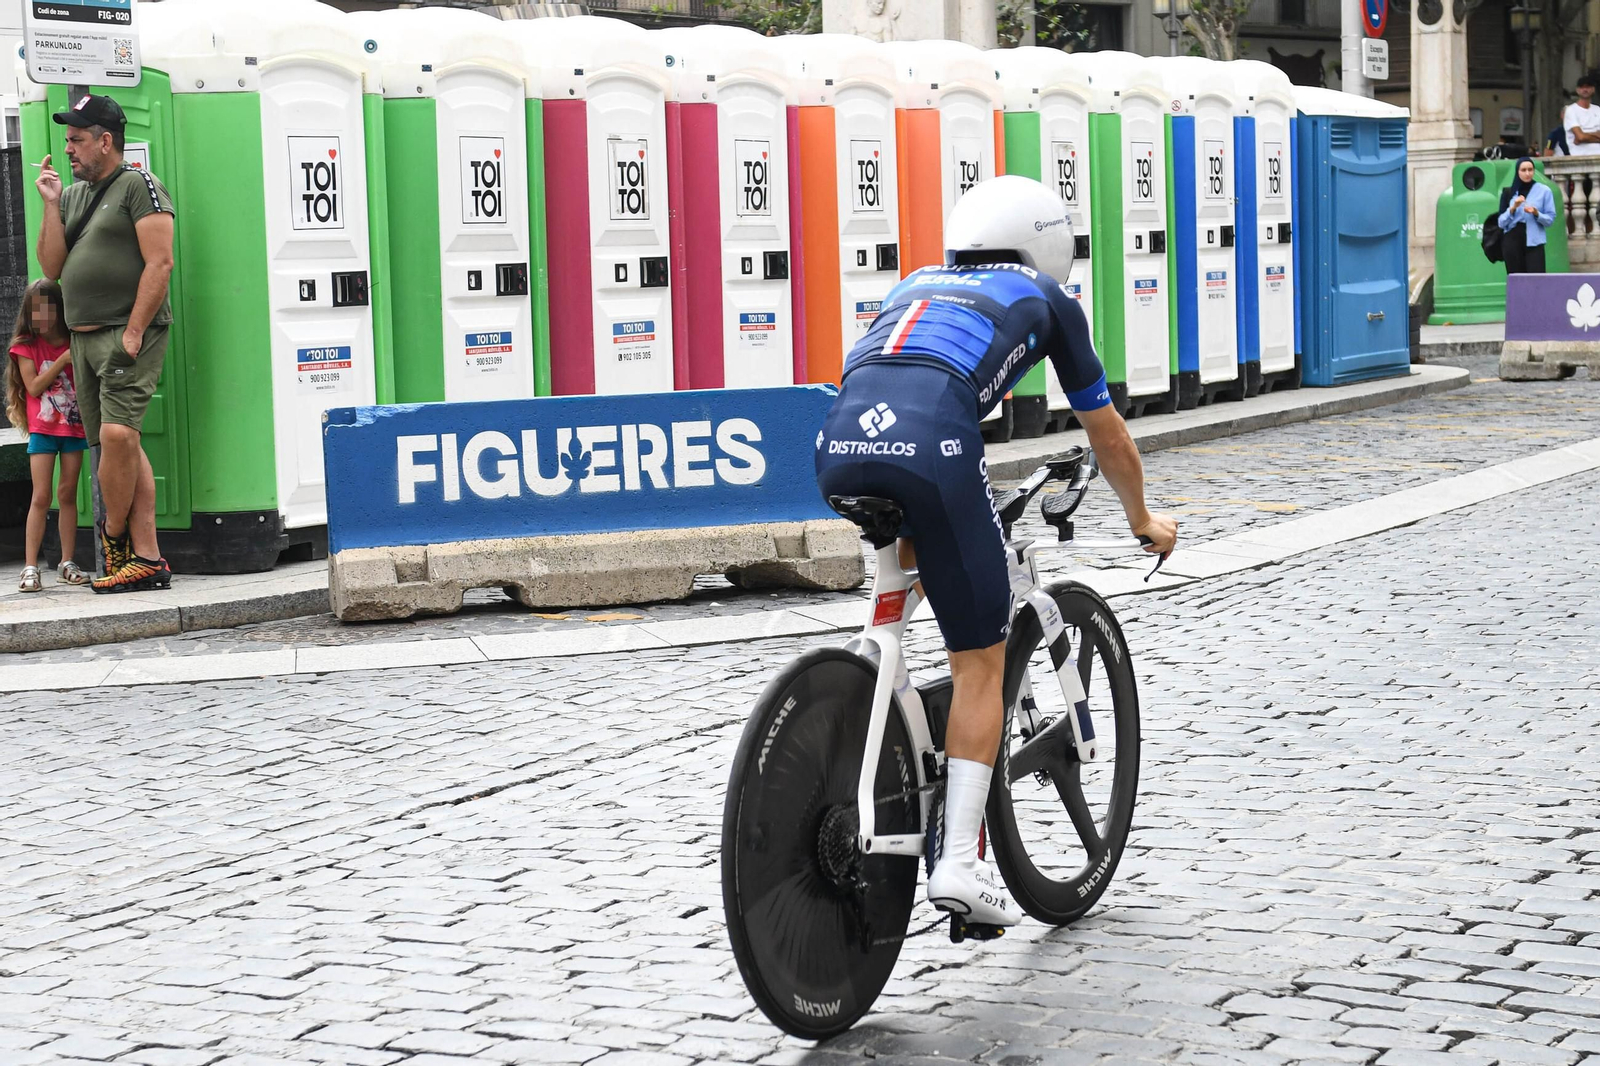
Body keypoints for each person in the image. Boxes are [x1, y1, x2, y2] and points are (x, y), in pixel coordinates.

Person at [814, 175, 1179, 927]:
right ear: (1049, 244)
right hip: (932, 445)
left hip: (839, 442)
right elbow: (1105, 431)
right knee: (978, 659)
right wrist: (1143, 517)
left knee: (922, 569)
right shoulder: (1047, 298)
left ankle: (888, 708)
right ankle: (957, 865)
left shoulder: (917, 279)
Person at [34, 94, 175, 593]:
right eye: (68, 140)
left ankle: (113, 539)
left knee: (116, 437)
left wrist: (134, 332)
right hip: (84, 338)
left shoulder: (141, 185)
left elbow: (160, 263)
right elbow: (51, 268)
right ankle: (149, 559)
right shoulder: (72, 196)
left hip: (126, 333)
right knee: (118, 443)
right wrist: (51, 204)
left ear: (106, 140)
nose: (69, 149)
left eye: (77, 139)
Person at [6, 279, 91, 592]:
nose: (40, 317)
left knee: (68, 494)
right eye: (34, 311)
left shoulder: (74, 340)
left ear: (59, 309)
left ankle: (67, 561)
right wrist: (61, 362)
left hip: (74, 428)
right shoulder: (25, 346)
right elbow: (34, 387)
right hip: (44, 429)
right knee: (41, 496)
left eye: (47, 309)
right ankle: (30, 567)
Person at [1501, 157, 1556, 274]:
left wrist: (1537, 213)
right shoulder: (1508, 192)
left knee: (1537, 280)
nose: (1527, 173)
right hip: (1512, 240)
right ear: (1517, 172)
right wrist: (1513, 208)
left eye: (1530, 170)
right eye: (1523, 170)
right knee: (1516, 280)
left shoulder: (1544, 191)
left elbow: (1550, 219)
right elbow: (1501, 222)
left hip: (1534, 241)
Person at [1565, 76, 1600, 156]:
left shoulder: (1598, 110)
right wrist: (1596, 135)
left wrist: (1584, 136)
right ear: (1577, 90)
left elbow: (1580, 138)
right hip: (1579, 156)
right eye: (1582, 87)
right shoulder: (1571, 110)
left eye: (1588, 87)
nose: (1585, 90)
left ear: (1593, 89)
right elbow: (1580, 136)